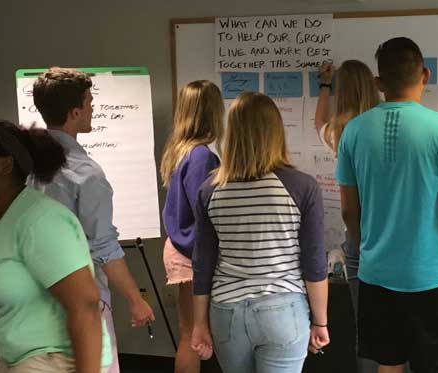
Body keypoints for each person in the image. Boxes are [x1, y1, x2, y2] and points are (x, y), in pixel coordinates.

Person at [335, 37, 438, 373]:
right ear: (425, 75)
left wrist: (365, 249)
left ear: (379, 83)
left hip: (375, 275)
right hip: (430, 277)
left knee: (389, 364)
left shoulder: (353, 132)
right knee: (437, 366)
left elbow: (347, 210)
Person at [188, 92, 330, 372]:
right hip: (283, 310)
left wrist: (199, 324)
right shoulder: (302, 187)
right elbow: (314, 263)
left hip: (226, 312)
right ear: (276, 131)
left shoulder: (210, 190)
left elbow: (202, 263)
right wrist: (320, 321)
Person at [0, 120, 111, 372]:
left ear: (4, 165)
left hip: (54, 362)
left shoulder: (41, 220)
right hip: (13, 359)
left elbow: (85, 306)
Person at [28, 67, 155, 373]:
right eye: (89, 101)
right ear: (75, 112)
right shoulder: (85, 174)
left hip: (33, 296)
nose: (93, 108)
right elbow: (103, 246)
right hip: (82, 299)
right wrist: (135, 300)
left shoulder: (23, 167)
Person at [160, 80, 224, 373]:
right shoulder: (201, 156)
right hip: (190, 253)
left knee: (190, 333)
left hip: (180, 248)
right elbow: (205, 213)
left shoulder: (180, 151)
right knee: (192, 336)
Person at [312, 60, 380, 308]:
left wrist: (325, 85)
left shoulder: (337, 132)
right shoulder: (384, 127)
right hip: (388, 229)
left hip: (355, 232)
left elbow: (318, 122)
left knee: (363, 311)